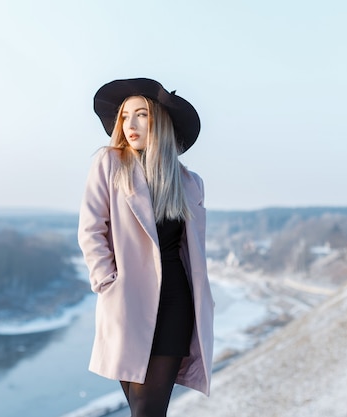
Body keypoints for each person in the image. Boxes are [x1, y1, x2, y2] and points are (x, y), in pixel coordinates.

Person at [77, 78, 214, 417]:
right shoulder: (109, 163)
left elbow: (194, 248)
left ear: (161, 122)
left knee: (149, 410)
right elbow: (91, 229)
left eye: (141, 115)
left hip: (175, 302)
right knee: (143, 408)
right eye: (125, 116)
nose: (130, 125)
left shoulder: (188, 181)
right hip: (126, 301)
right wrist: (106, 282)